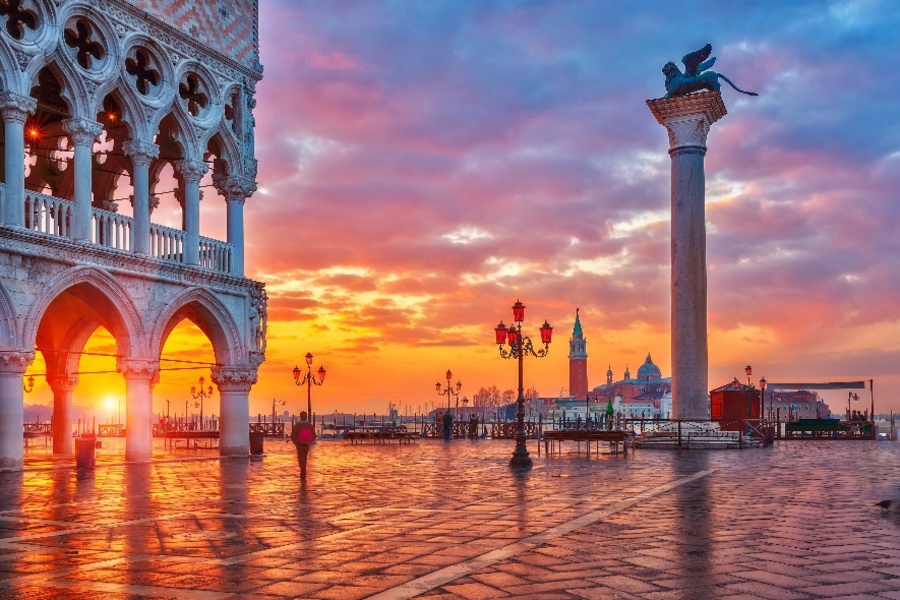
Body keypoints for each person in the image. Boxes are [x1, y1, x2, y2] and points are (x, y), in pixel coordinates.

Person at [290, 411, 317, 479]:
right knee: (305, 457)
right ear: (306, 417)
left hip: (299, 444)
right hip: (306, 444)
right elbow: (314, 435)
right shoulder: (309, 425)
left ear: (300, 417)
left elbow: (293, 435)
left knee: (300, 458)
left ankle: (302, 471)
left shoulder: (297, 425)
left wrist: (296, 442)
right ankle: (304, 470)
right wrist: (309, 441)